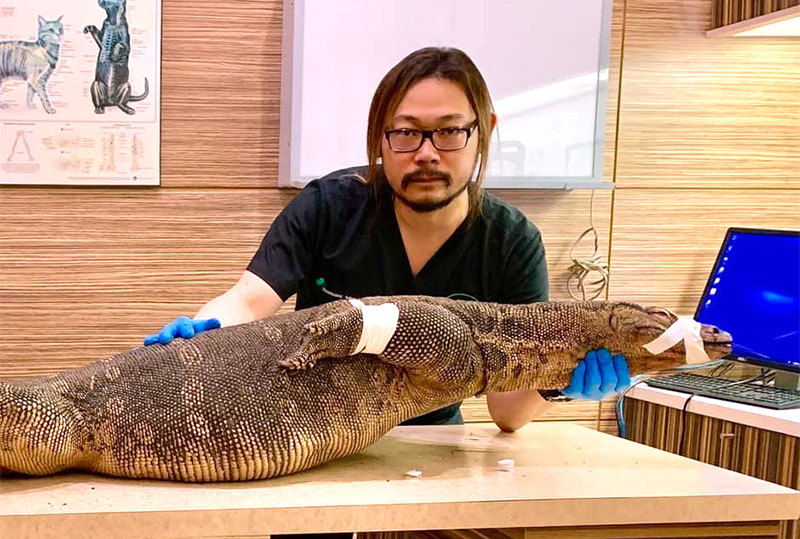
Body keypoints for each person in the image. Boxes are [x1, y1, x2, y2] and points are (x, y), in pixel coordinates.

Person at [145, 47, 630, 432]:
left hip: (433, 444)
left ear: (484, 131)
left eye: (449, 132)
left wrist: (555, 385)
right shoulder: (327, 207)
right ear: (380, 135)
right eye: (406, 133)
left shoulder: (511, 242)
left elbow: (506, 413)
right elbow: (249, 301)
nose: (426, 154)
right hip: (314, 433)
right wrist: (204, 329)